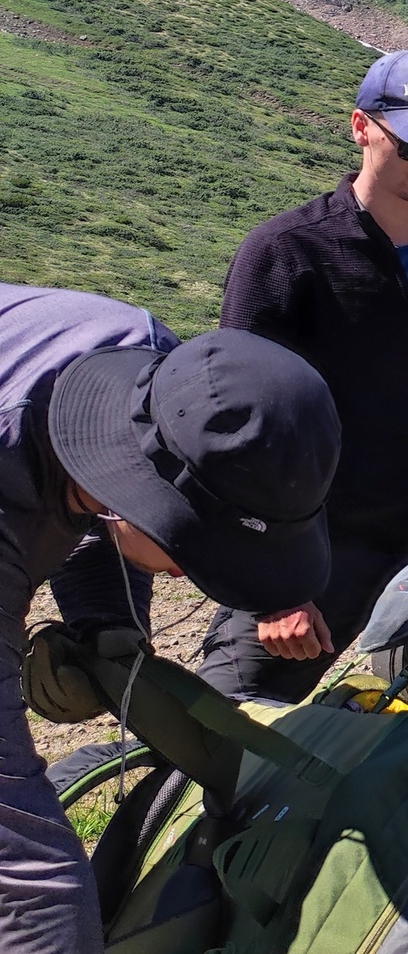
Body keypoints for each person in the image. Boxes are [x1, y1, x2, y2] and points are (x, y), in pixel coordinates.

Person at [0, 284, 340, 953]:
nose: (198, 577)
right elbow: (24, 870)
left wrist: (103, 626)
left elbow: (88, 470)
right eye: (204, 556)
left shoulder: (161, 375)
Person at [198, 50, 408, 704]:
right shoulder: (285, 254)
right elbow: (236, 424)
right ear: (361, 126)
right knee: (225, 730)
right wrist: (274, 585)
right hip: (320, 544)